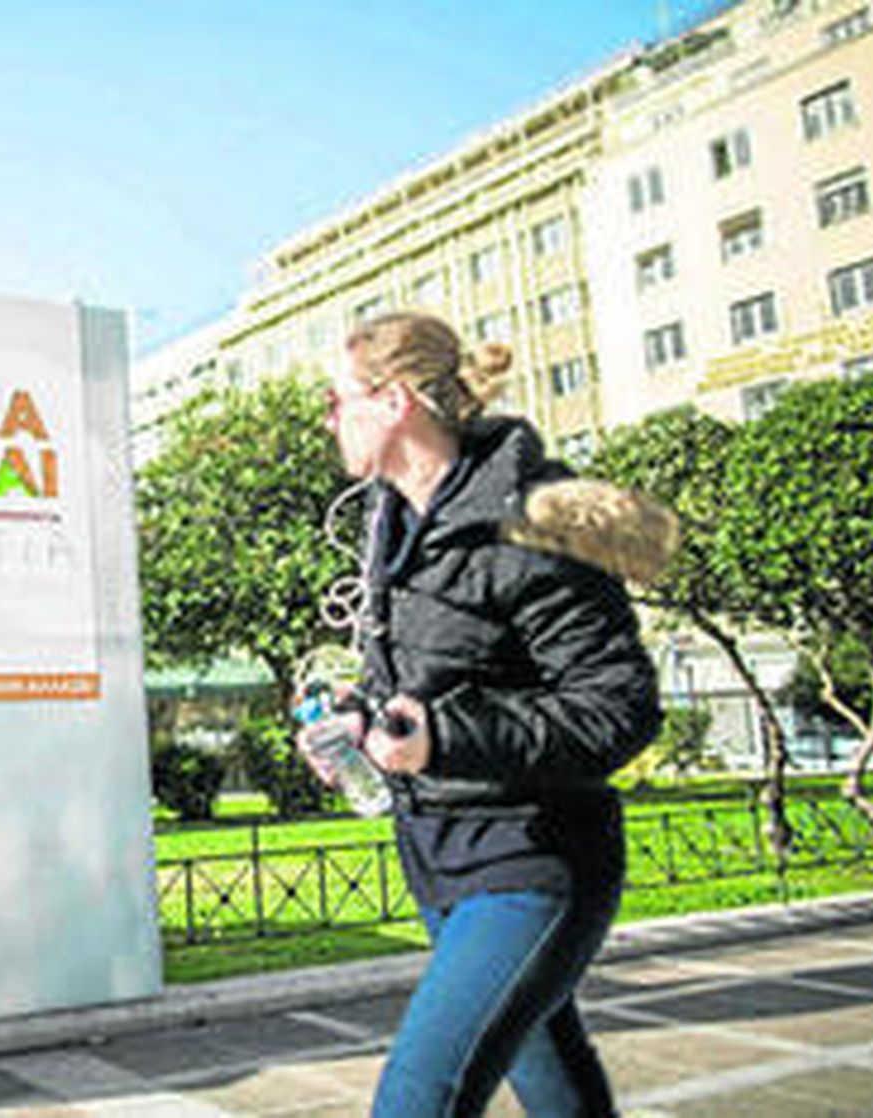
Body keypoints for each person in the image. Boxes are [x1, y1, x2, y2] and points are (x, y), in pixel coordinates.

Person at [302, 311, 673, 1117]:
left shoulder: (534, 521)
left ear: (393, 401)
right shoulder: (395, 522)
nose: (328, 420)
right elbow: (437, 681)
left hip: (532, 859)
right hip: (440, 858)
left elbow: (621, 706)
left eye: (336, 401)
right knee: (558, 1091)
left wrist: (442, 737)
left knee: (416, 1101)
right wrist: (361, 722)